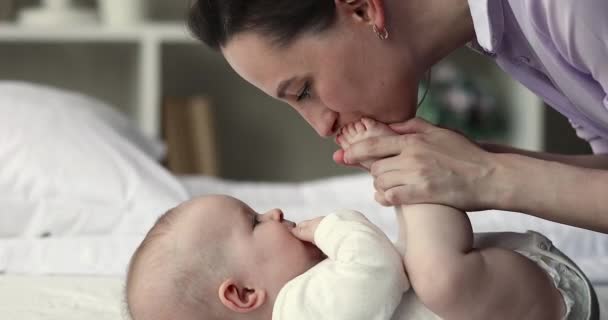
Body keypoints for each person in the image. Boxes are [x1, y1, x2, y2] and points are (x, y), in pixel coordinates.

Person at [186, 0, 608, 233]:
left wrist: (491, 177)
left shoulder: (566, 8)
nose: (320, 126)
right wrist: (473, 161)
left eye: (304, 91)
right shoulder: (501, 34)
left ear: (362, 9)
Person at [124, 118, 598, 320]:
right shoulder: (301, 313)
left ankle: (411, 179)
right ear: (245, 294)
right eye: (254, 222)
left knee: (426, 269)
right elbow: (373, 263)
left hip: (521, 298)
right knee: (427, 271)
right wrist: (332, 227)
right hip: (531, 307)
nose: (275, 213)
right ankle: (410, 170)